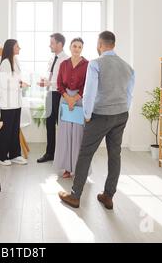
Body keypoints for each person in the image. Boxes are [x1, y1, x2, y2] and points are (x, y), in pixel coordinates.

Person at [58, 31, 135, 210]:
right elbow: (129, 95)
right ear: (113, 45)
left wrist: (87, 114)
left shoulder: (95, 64)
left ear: (100, 44)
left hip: (100, 115)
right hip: (121, 114)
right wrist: (123, 110)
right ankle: (108, 196)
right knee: (115, 155)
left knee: (85, 154)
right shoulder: (128, 67)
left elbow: (90, 92)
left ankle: (75, 196)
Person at [54, 38, 89, 178]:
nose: (76, 49)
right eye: (74, 46)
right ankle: (67, 168)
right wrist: (67, 98)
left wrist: (75, 98)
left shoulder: (88, 65)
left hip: (79, 101)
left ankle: (78, 168)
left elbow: (87, 84)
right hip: (64, 100)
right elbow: (59, 84)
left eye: (79, 47)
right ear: (70, 47)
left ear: (82, 49)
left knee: (78, 135)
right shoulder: (64, 64)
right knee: (65, 135)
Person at [0, 39, 30, 166]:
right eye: (17, 46)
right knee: (6, 130)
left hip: (16, 102)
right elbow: (5, 84)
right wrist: (20, 84)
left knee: (15, 130)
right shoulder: (5, 62)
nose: (19, 48)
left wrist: (20, 83)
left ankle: (15, 154)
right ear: (11, 48)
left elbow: (15, 79)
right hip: (8, 104)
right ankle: (1, 156)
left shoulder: (15, 61)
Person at [37, 33, 69, 163]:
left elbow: (64, 82)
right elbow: (51, 77)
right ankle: (50, 153)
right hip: (50, 94)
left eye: (52, 43)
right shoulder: (52, 59)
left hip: (59, 96)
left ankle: (63, 154)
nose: (50, 45)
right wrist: (45, 82)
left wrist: (50, 83)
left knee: (61, 126)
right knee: (49, 125)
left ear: (59, 44)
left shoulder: (66, 60)